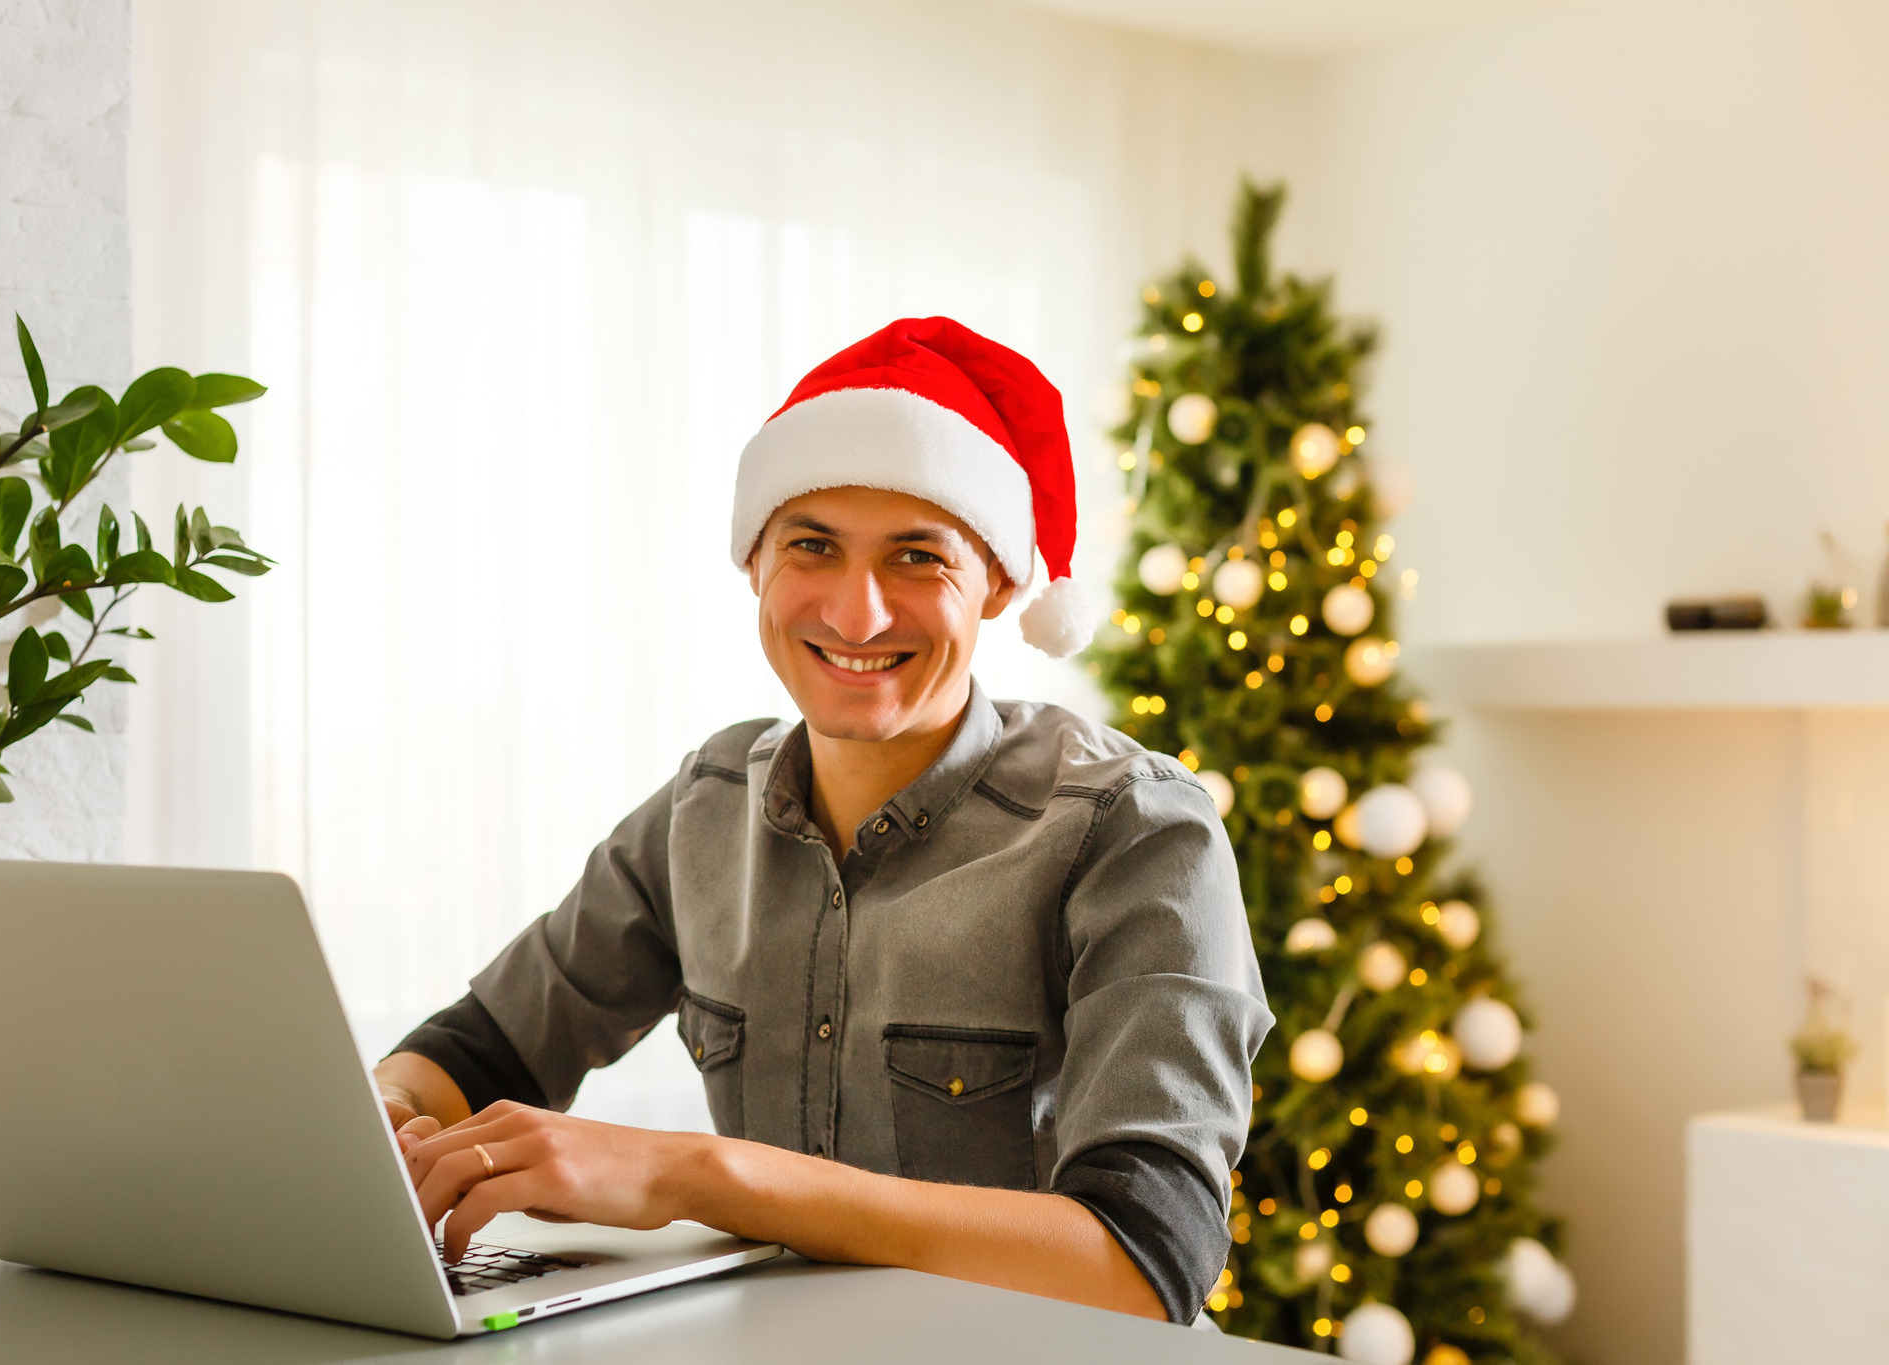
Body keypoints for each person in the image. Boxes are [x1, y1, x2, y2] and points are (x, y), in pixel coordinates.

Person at [375, 317, 1272, 1325]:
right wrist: (389, 1129)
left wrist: (699, 1177)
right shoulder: (705, 803)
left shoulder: (1135, 827)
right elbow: (475, 1052)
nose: (856, 615)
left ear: (1000, 587)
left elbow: (1144, 1265)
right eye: (812, 546)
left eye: (915, 558)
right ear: (754, 565)